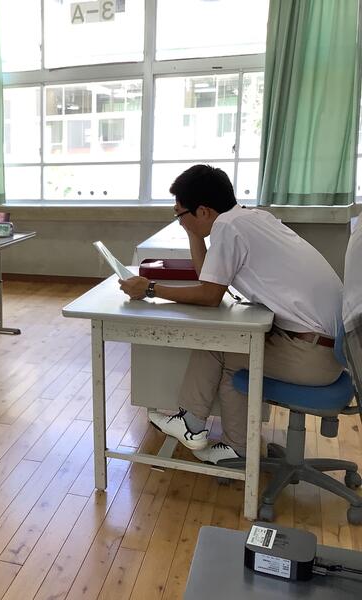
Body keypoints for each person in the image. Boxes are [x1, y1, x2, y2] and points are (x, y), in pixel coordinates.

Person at [119, 164, 344, 464]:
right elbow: (209, 277)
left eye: (180, 214)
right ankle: (216, 436)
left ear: (203, 211)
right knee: (227, 345)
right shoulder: (251, 218)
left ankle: (204, 430)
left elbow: (210, 296)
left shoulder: (228, 227)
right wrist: (192, 231)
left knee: (222, 346)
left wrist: (150, 288)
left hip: (313, 357)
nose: (179, 220)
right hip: (329, 350)